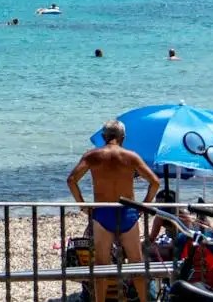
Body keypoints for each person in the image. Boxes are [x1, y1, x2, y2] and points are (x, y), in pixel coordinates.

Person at [67, 120, 161, 302]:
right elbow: (155, 182)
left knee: (102, 265)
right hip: (127, 212)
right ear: (122, 138)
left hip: (102, 212)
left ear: (103, 137)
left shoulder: (92, 156)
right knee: (136, 265)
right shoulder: (131, 156)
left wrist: (83, 205)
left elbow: (72, 180)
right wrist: (143, 206)